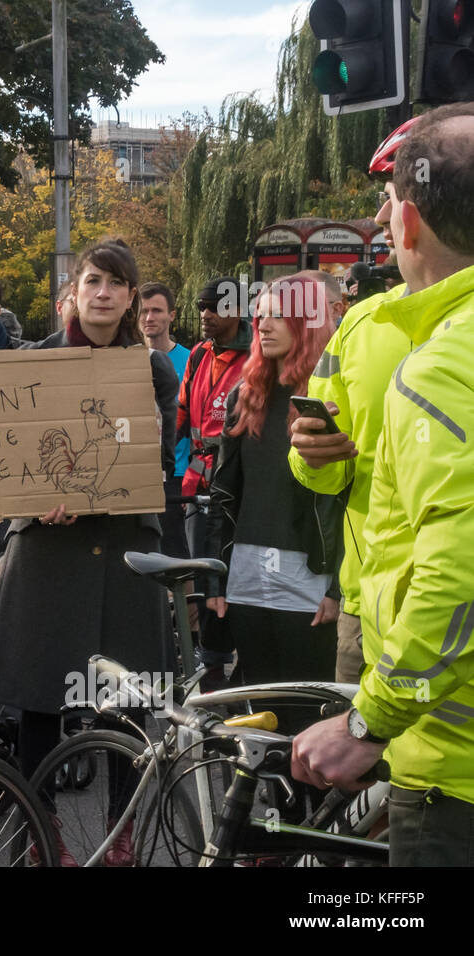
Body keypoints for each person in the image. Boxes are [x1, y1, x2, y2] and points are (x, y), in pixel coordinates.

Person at [292, 104, 474, 866]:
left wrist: (367, 722)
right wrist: (317, 452)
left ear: (403, 224)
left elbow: (459, 572)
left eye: (385, 200)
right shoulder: (360, 329)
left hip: (439, 712)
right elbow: (312, 462)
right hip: (373, 622)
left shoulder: (440, 364)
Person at [0, 238, 177, 784]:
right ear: (75, 290)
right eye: (93, 281)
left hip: (126, 552)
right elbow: (10, 464)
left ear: (132, 296)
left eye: (115, 283)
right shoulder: (32, 361)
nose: (103, 293)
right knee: (41, 698)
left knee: (126, 703)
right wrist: (37, 503)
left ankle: (120, 833)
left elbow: (158, 464)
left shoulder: (154, 369)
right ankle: (42, 828)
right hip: (48, 551)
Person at [288, 129, 414, 686]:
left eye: (394, 193)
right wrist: (313, 455)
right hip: (365, 612)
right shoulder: (361, 324)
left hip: (447, 614)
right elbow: (326, 472)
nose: (382, 217)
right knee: (352, 772)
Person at [203, 273, 340, 686]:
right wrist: (215, 577)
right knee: (260, 708)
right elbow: (224, 494)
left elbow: (350, 501)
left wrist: (338, 588)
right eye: (260, 315)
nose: (263, 325)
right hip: (248, 575)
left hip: (311, 579)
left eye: (278, 316)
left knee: (308, 710)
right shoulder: (245, 396)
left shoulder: (334, 394)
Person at [176, 274, 253, 686]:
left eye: (215, 308)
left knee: (235, 572)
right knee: (205, 573)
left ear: (237, 311)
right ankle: (212, 669)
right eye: (202, 307)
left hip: (238, 482)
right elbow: (182, 413)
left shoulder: (256, 354)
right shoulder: (199, 355)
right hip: (197, 482)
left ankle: (243, 663)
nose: (205, 315)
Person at [139, 281, 190, 558]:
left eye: (157, 310)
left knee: (178, 552)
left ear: (172, 315)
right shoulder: (127, 361)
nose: (149, 318)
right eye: (144, 311)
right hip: (139, 473)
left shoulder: (191, 359)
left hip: (178, 475)